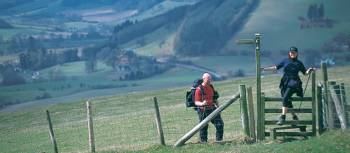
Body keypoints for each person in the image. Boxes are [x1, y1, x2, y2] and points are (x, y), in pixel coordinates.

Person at [262, 47, 314, 125]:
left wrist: (309, 71)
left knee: (285, 98)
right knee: (287, 101)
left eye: (294, 52)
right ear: (289, 53)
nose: (292, 54)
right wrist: (264, 69)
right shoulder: (285, 61)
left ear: (297, 53)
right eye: (291, 52)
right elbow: (276, 67)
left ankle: (283, 117)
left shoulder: (299, 63)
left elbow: (305, 73)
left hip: (294, 83)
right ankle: (294, 117)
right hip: (285, 82)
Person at [194, 73, 224, 143]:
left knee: (220, 124)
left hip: (212, 108)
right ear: (203, 79)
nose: (209, 81)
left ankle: (219, 141)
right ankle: (204, 142)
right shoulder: (199, 89)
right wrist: (202, 103)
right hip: (203, 110)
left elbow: (215, 98)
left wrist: (218, 108)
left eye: (210, 79)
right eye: (208, 80)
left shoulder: (211, 87)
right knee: (203, 127)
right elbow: (196, 102)